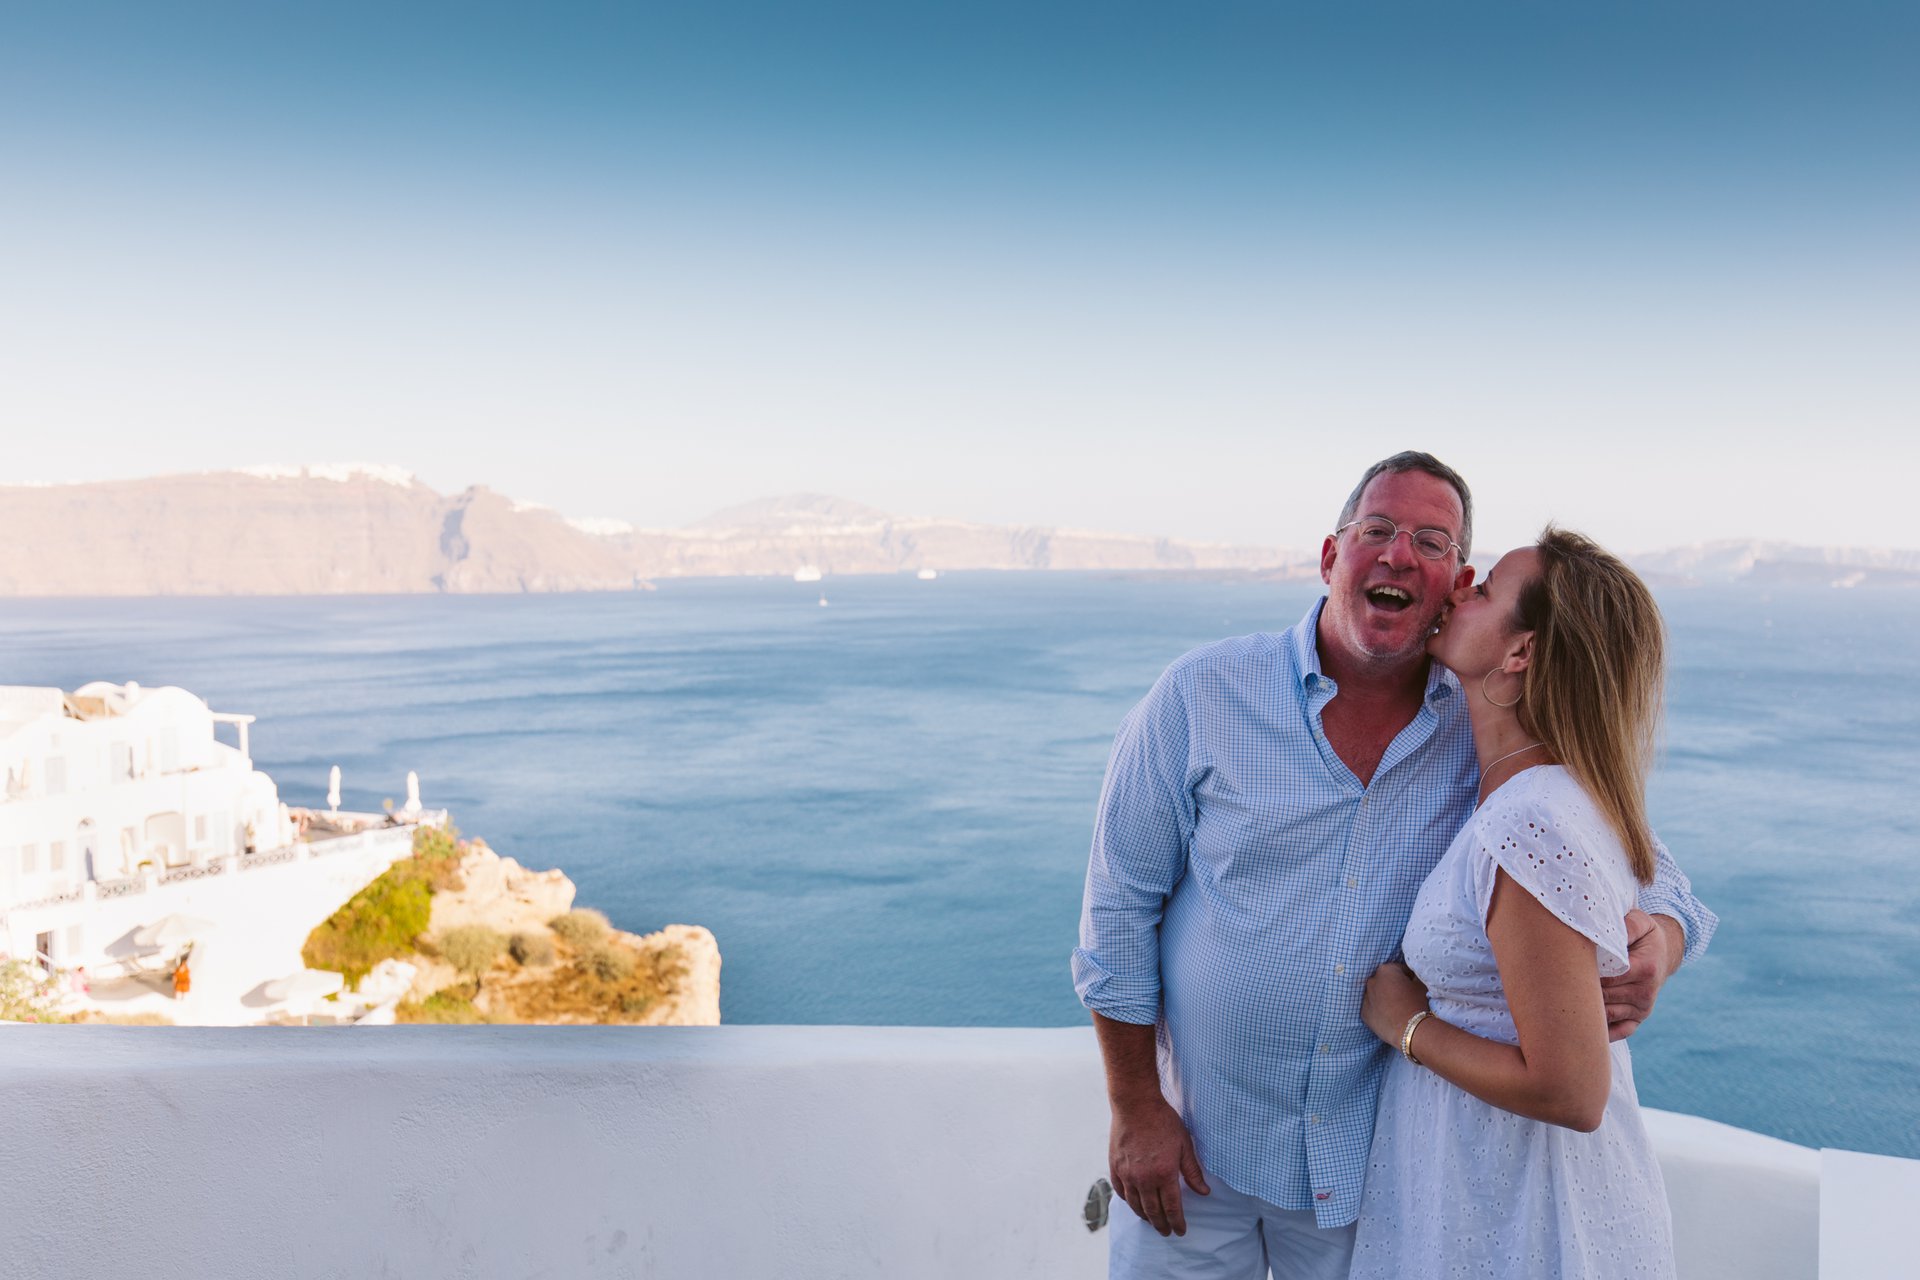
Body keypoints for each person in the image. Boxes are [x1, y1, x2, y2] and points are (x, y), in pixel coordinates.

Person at [1072, 452, 1715, 1278]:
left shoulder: (1491, 733)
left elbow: (1640, 861)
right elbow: (1118, 907)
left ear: (1457, 584)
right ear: (1331, 556)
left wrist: (1660, 940)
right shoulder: (1199, 695)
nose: (1399, 554)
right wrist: (1135, 1107)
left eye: (1431, 541)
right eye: (1376, 529)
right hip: (1197, 1152)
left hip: (1364, 1176)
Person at [1351, 528, 1679, 1277]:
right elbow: (1666, 887)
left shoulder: (1530, 822)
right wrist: (1661, 940)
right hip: (1505, 1198)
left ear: (1521, 652)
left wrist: (1405, 1024)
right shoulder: (1553, 792)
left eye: (1488, 589)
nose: (1462, 587)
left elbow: (1572, 1091)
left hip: (1532, 1219)